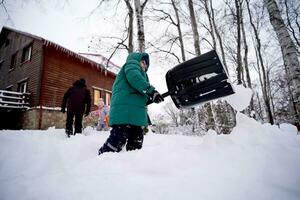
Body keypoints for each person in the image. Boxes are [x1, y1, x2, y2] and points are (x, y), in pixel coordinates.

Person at [98, 52, 164, 155]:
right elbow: (135, 79)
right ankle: (103, 157)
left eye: (146, 64)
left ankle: (132, 164)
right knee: (118, 139)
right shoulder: (131, 66)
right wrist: (151, 91)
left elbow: (139, 93)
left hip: (134, 114)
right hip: (124, 111)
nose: (144, 65)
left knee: (136, 141)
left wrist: (150, 98)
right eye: (143, 62)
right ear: (137, 60)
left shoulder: (141, 73)